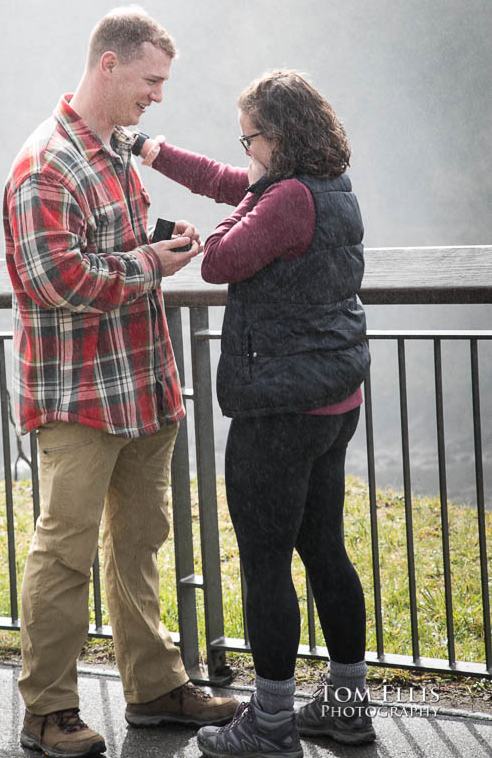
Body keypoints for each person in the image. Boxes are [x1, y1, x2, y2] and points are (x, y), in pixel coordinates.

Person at [3, 6, 238, 758]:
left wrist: (158, 244)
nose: (157, 96)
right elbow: (53, 279)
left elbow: (105, 255)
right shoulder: (46, 163)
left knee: (139, 541)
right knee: (64, 552)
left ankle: (155, 687)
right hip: (77, 398)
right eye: (150, 80)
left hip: (139, 385)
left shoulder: (112, 153)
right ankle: (47, 712)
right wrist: (149, 265)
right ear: (109, 64)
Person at [137, 71, 375, 758]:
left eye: (249, 138)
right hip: (334, 398)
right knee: (324, 550)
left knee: (264, 564)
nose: (243, 152)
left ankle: (269, 724)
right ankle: (346, 704)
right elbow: (229, 183)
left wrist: (202, 235)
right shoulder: (327, 187)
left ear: (278, 135)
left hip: (278, 408)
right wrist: (154, 152)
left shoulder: (285, 199)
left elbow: (223, 261)